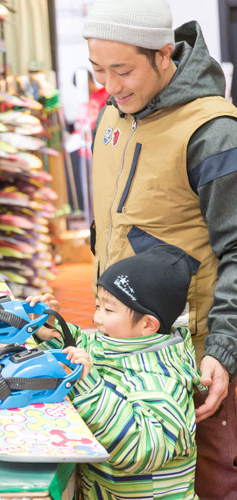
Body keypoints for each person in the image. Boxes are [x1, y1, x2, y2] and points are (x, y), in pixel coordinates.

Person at [81, 0, 237, 497]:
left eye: (122, 69)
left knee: (210, 480)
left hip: (193, 358)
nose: (110, 84)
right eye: (98, 69)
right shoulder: (110, 118)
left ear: (164, 54)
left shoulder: (212, 131)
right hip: (125, 351)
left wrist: (224, 350)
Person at [28, 245, 206, 499]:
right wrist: (50, 330)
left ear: (147, 324)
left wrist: (89, 389)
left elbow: (137, 450)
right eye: (97, 305)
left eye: (108, 310)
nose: (96, 318)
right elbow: (79, 348)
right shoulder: (113, 343)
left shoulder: (165, 383)